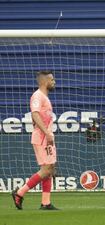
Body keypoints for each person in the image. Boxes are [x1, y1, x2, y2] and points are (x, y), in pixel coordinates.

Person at [12, 70, 58, 210]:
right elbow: (35, 114)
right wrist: (46, 132)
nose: (54, 81)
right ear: (44, 81)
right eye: (51, 79)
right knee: (45, 170)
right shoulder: (37, 96)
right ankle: (19, 193)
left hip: (47, 136)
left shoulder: (45, 97)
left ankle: (45, 203)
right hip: (42, 137)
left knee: (50, 168)